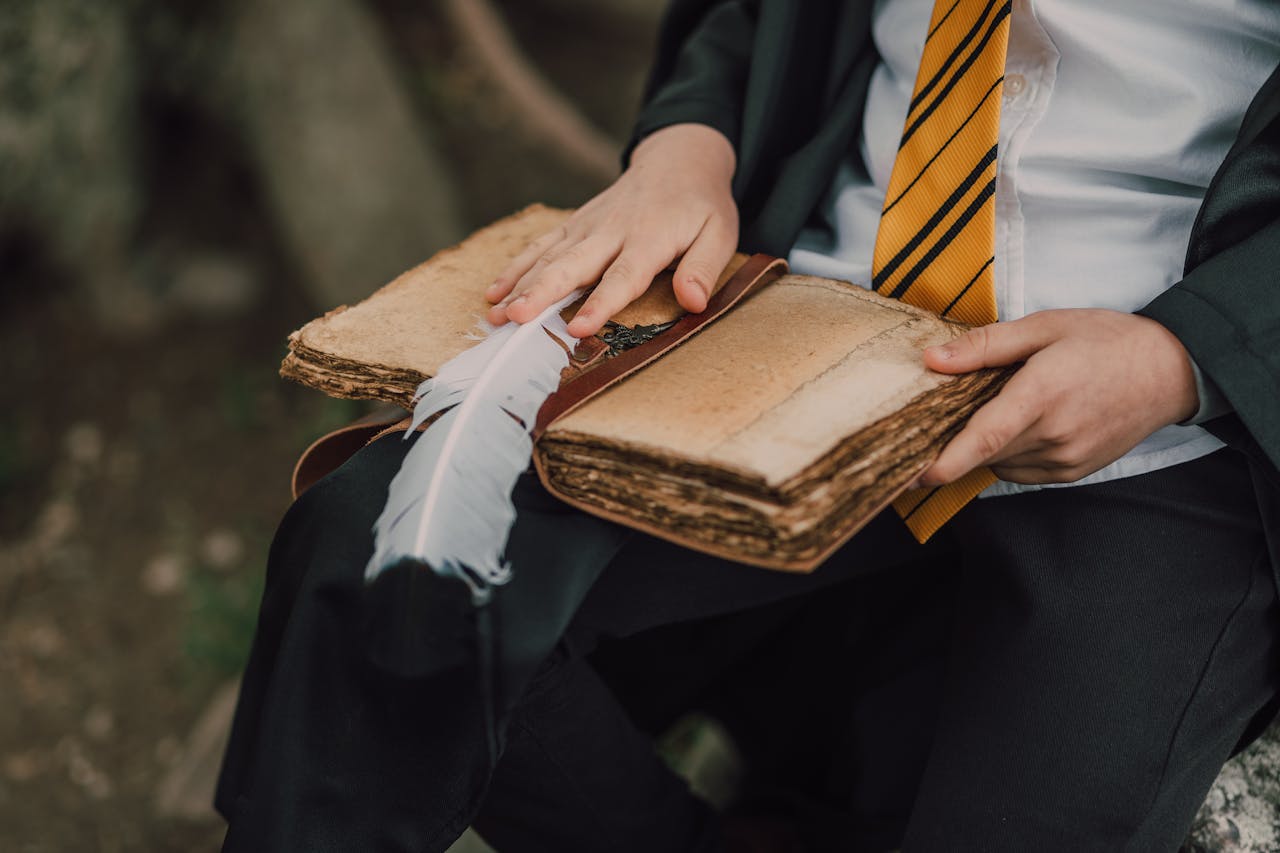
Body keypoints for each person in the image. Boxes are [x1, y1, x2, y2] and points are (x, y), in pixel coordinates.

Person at [216, 1, 1280, 850]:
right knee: (376, 562)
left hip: (1159, 409)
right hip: (811, 325)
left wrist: (1185, 355)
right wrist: (683, 144)